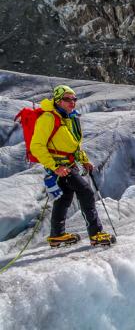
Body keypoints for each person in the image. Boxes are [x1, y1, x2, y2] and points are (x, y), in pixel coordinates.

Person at [30, 85, 113, 247]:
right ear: (58, 100)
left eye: (74, 99)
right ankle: (96, 234)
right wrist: (55, 167)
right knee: (86, 192)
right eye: (67, 99)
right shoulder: (48, 118)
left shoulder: (68, 117)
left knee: (63, 199)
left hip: (69, 164)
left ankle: (57, 235)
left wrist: (84, 160)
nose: (72, 102)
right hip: (61, 166)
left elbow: (73, 145)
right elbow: (36, 146)